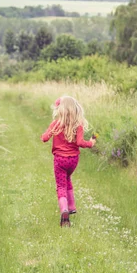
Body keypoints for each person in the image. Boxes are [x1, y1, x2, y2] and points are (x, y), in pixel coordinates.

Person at [41, 96, 96, 227]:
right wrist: (91, 143)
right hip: (73, 160)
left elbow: (44, 138)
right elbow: (80, 143)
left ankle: (64, 210)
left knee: (61, 185)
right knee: (68, 179)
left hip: (60, 160)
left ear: (60, 110)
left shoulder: (55, 124)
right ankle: (71, 207)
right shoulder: (78, 126)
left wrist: (47, 133)